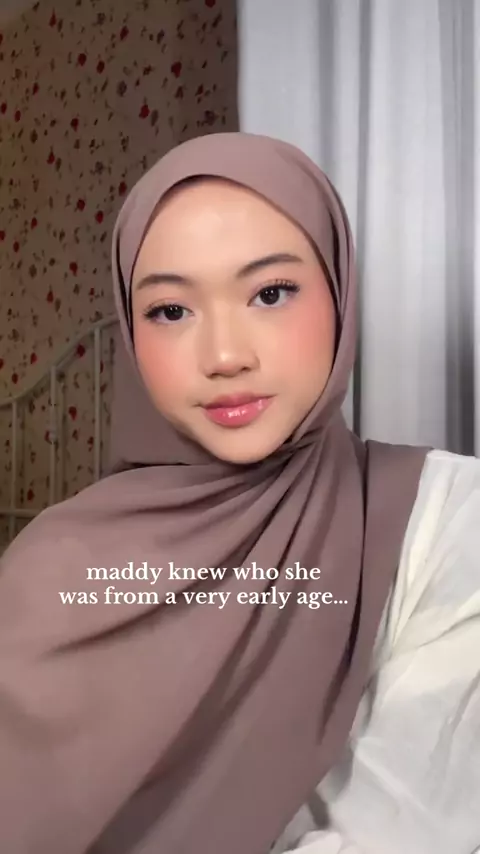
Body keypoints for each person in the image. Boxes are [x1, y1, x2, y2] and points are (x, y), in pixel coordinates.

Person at [0, 132, 478, 854]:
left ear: (340, 292)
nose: (225, 356)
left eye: (271, 293)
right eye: (171, 311)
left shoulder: (449, 521)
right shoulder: (50, 566)